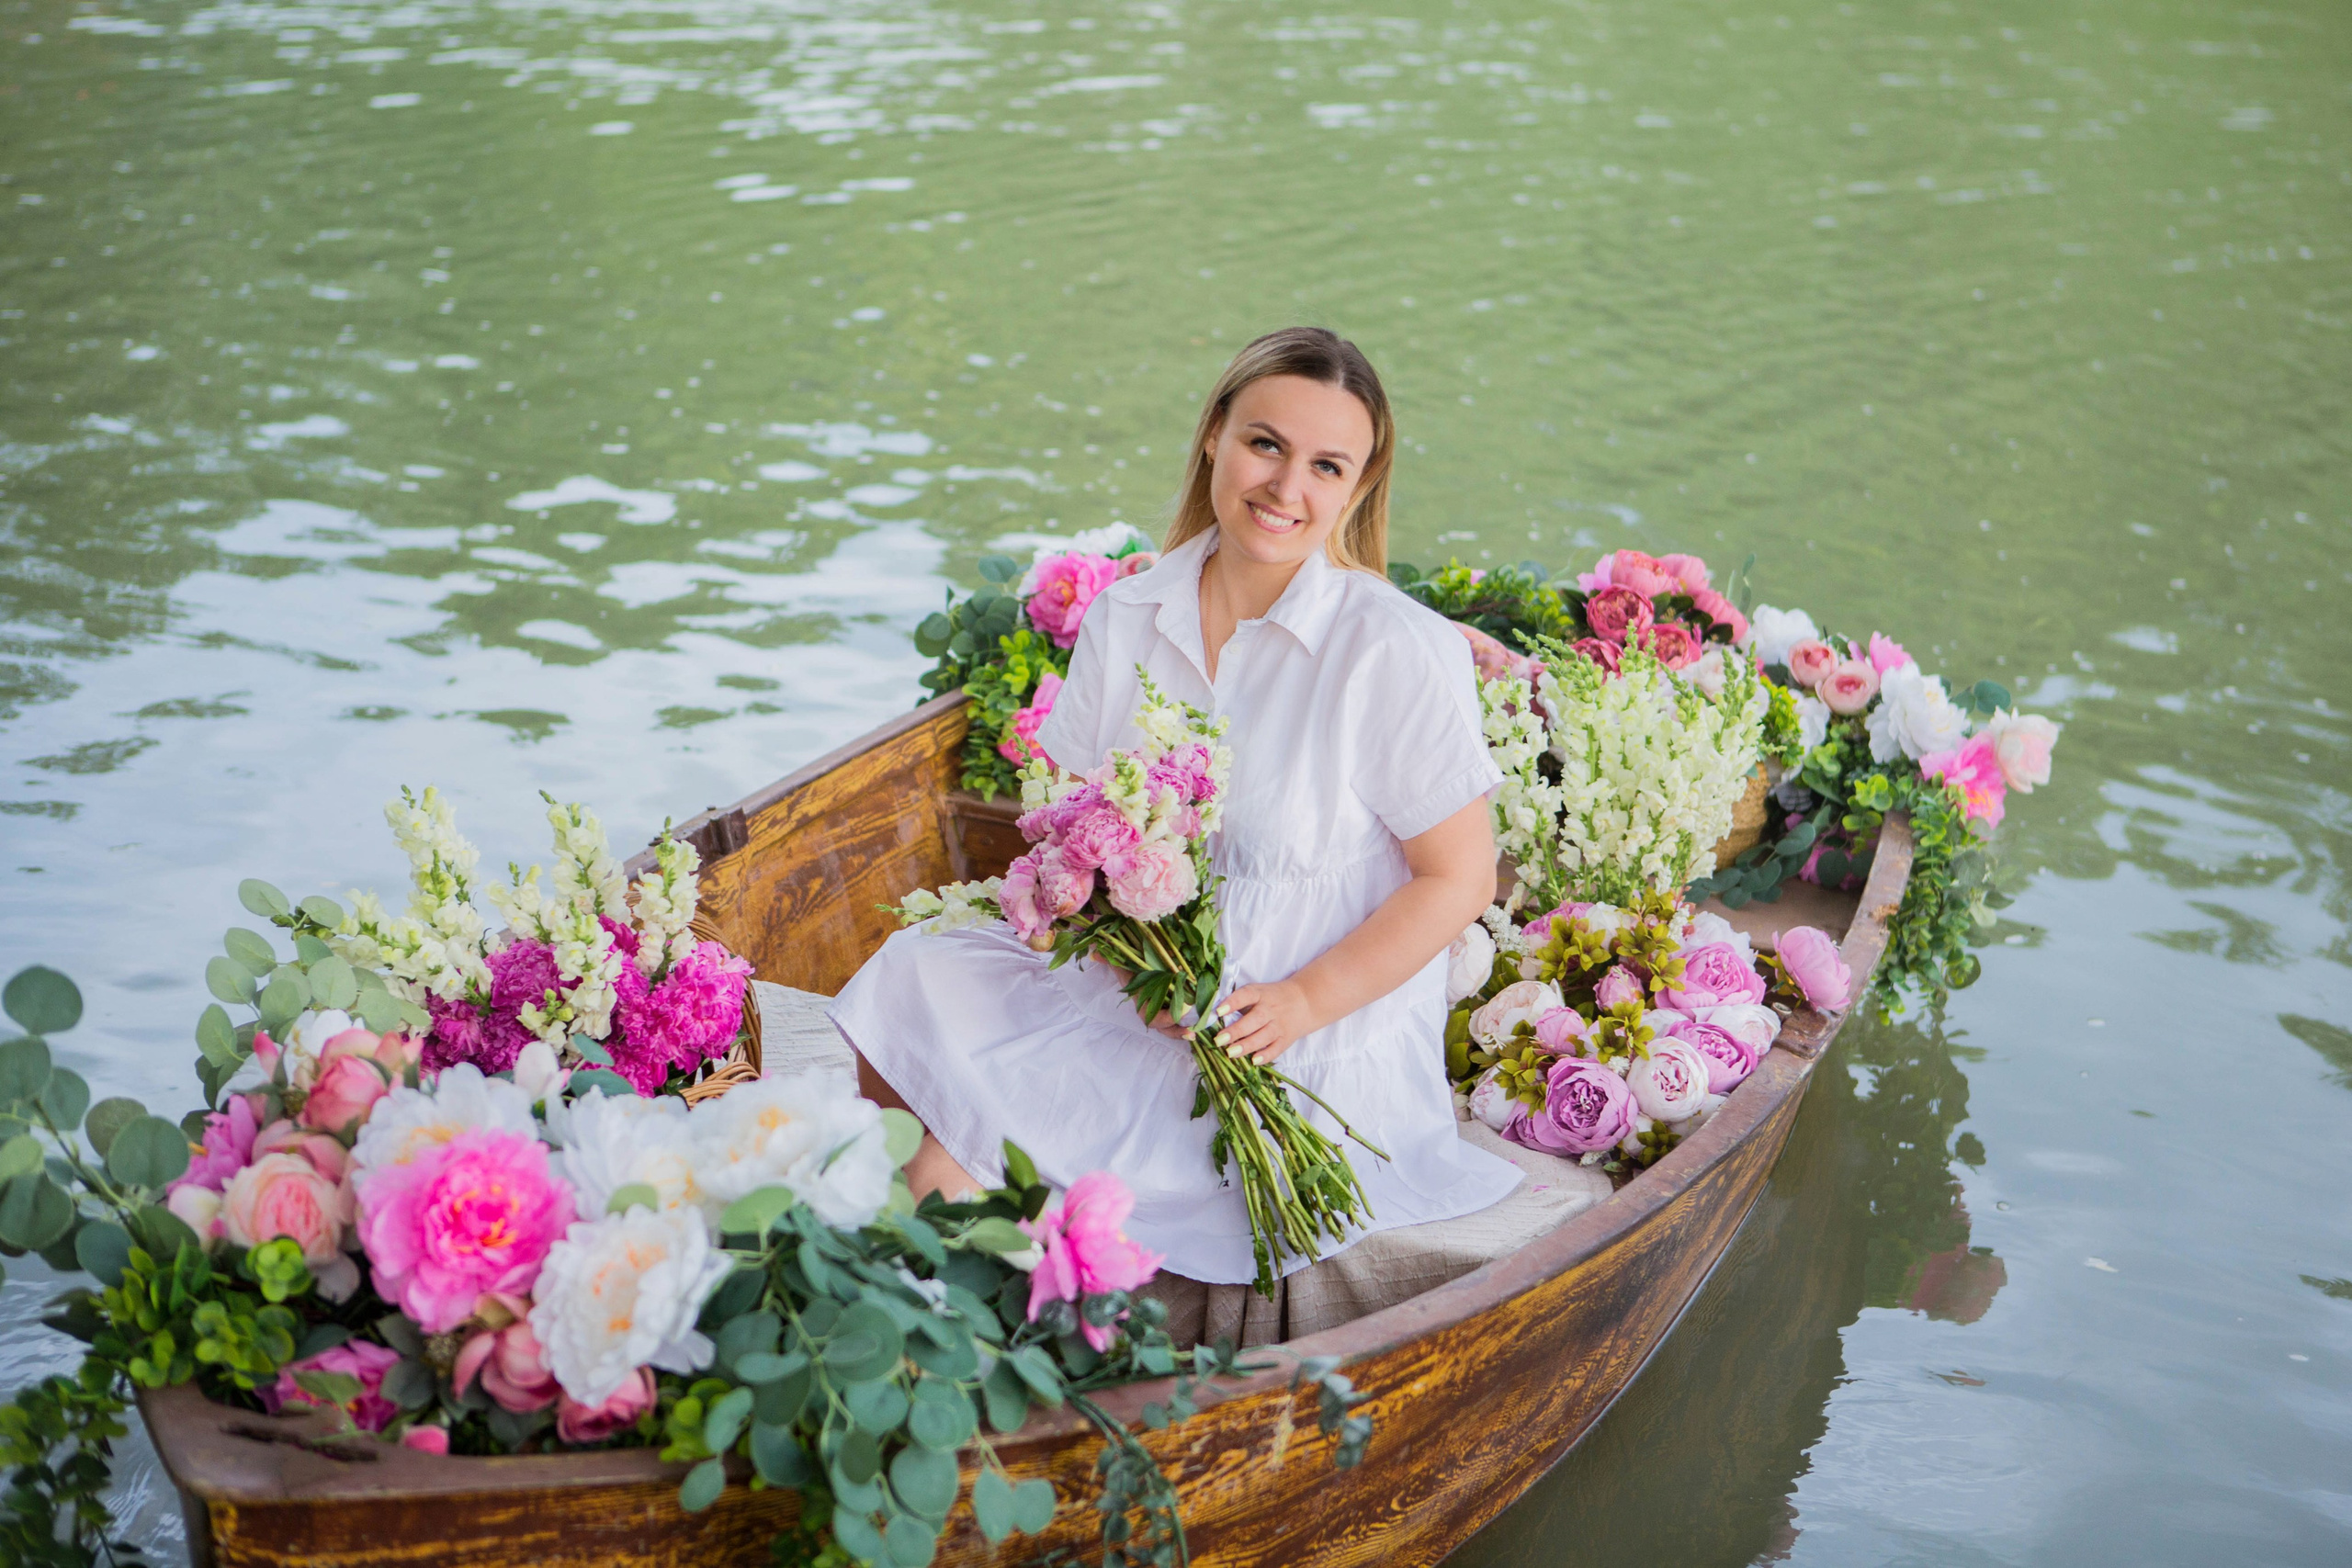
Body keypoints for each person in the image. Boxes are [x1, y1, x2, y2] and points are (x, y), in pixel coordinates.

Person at [830, 327, 1521, 1285]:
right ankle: (906, 1296)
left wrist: (1298, 1002)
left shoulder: (1389, 648)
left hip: (1296, 1037)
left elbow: (1459, 877)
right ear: (1214, 438)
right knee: (911, 985)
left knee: (958, 1164)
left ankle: (930, 1297)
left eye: (1326, 466)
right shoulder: (1128, 614)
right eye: (1265, 444)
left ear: (1357, 488)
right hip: (1141, 992)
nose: (1286, 489)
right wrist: (1119, 952)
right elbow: (1091, 831)